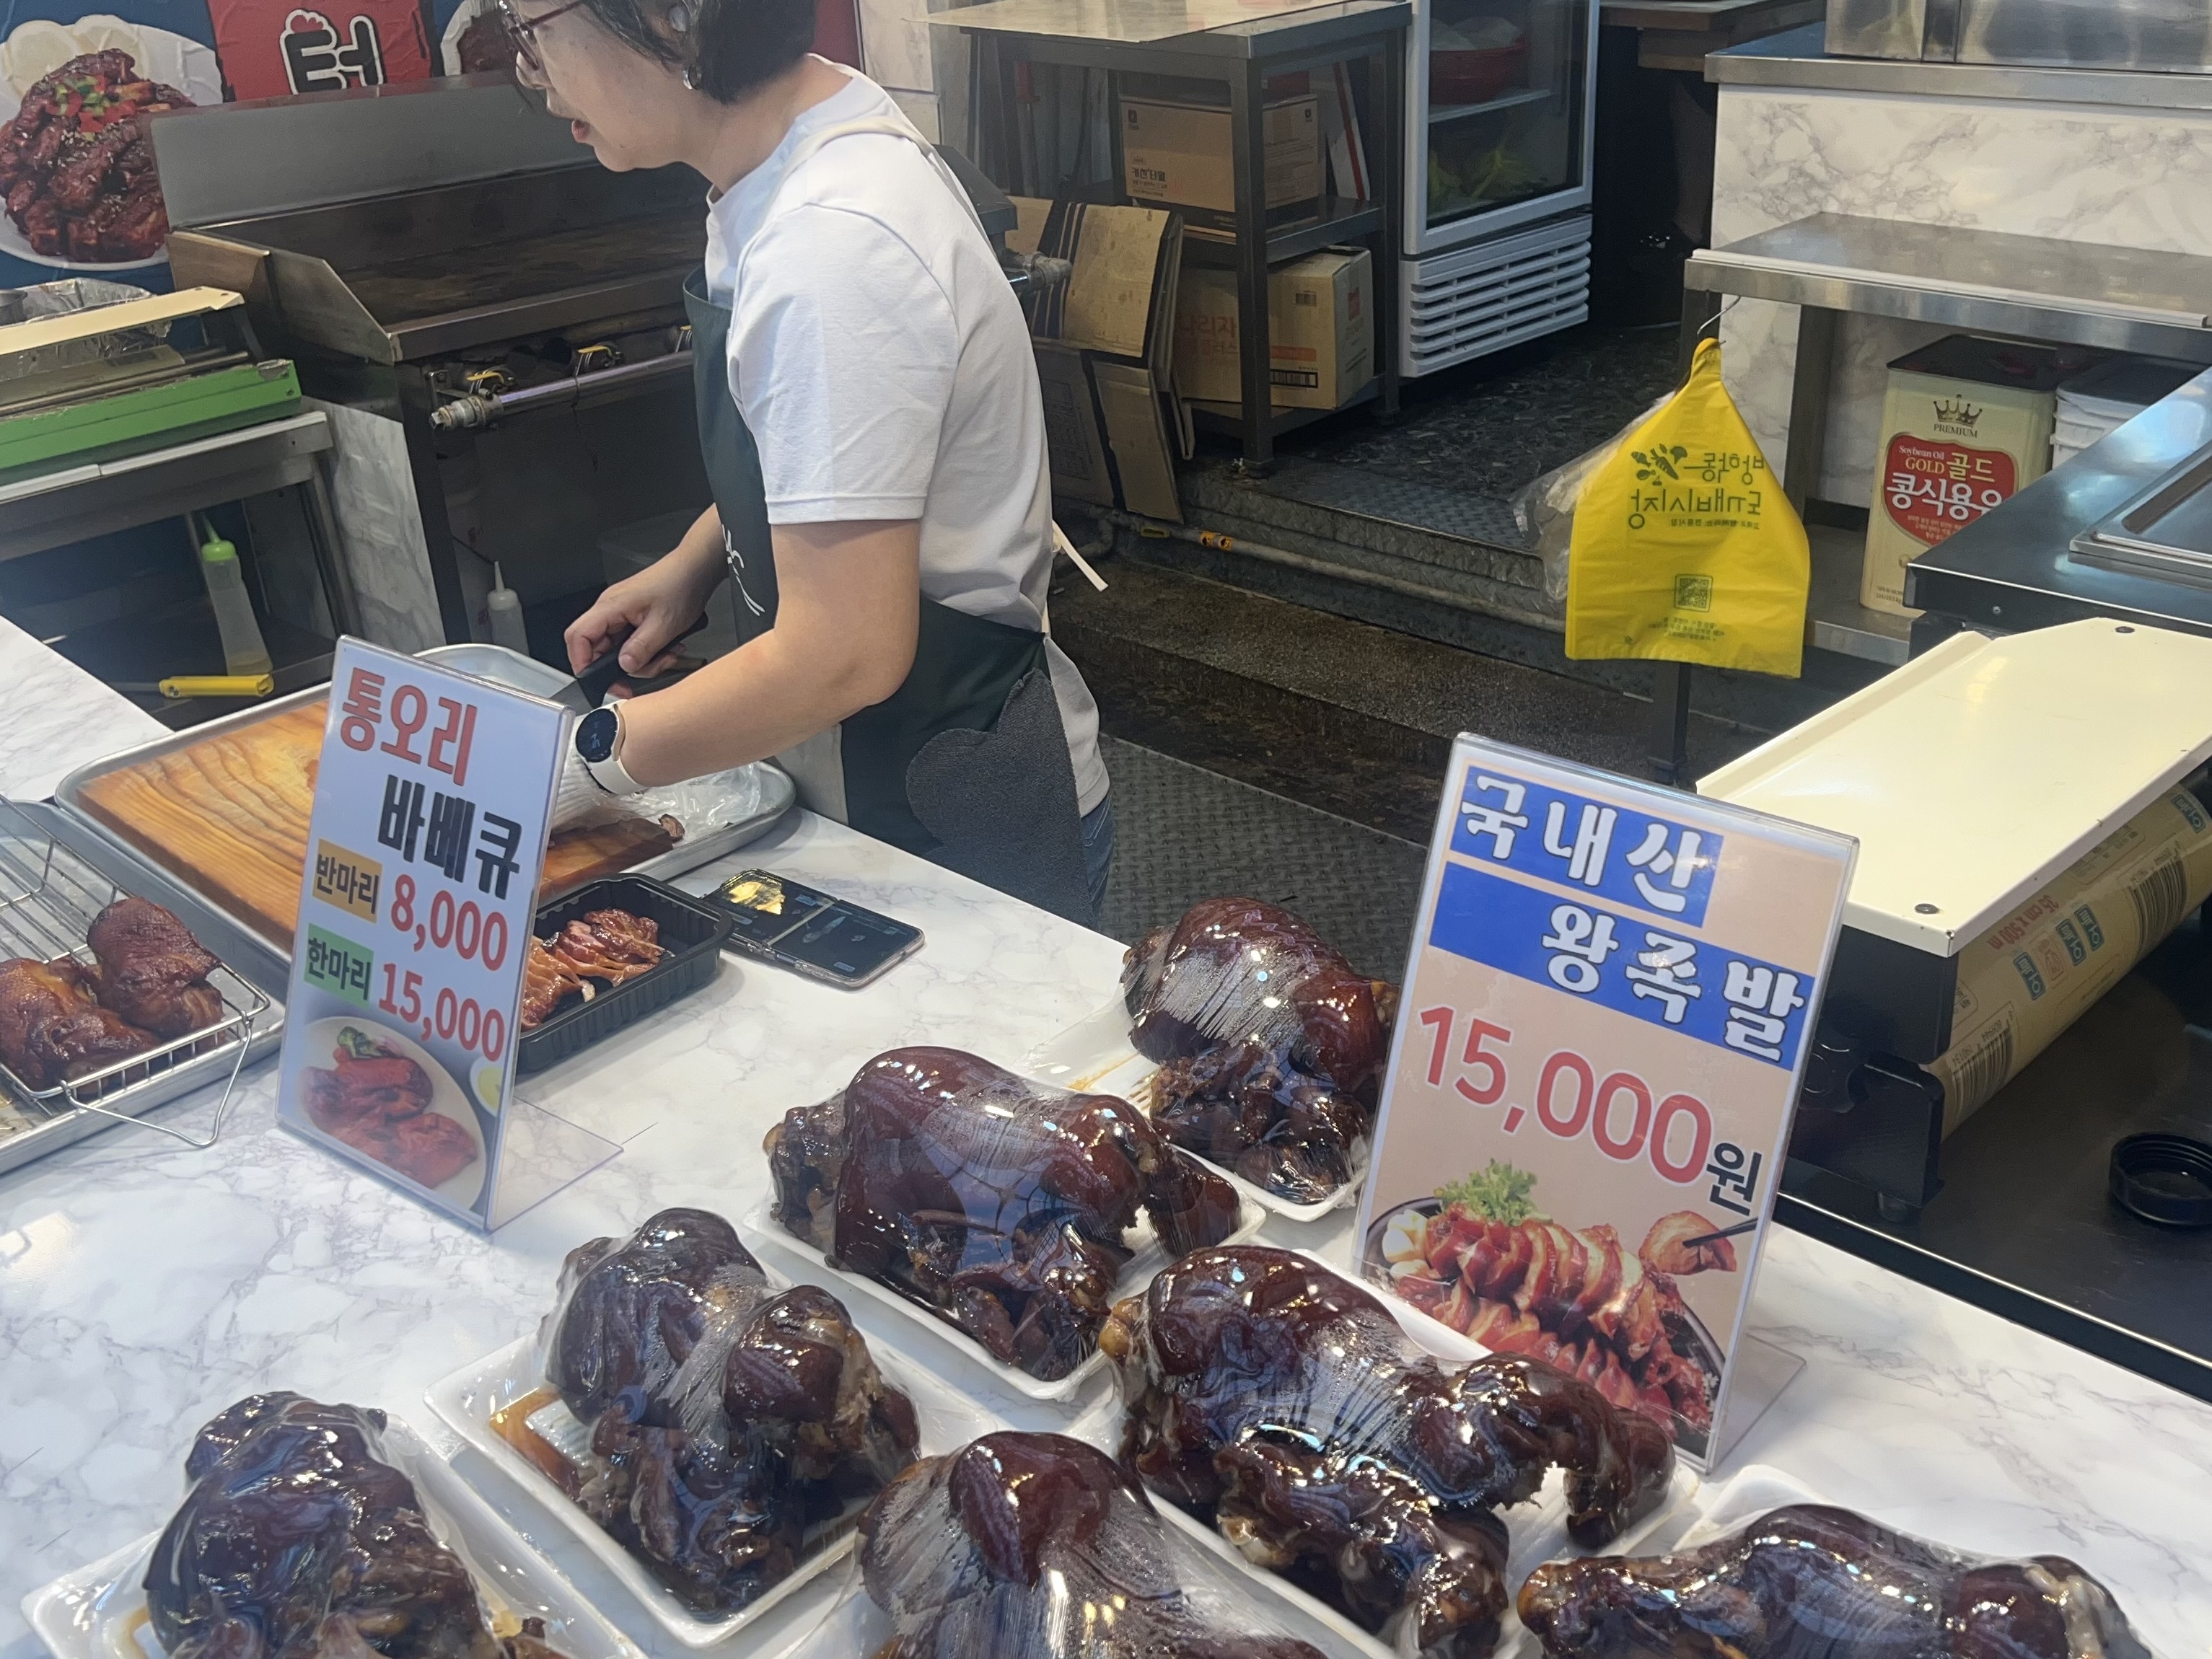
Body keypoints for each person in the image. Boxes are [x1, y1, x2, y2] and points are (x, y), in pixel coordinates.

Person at [508, 0, 1113, 922]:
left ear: (673, 18)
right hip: (871, 780)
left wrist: (587, 757)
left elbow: (846, 653)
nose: (531, 74)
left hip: (942, 818)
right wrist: (693, 562)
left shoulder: (832, 242)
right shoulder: (804, 146)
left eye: (532, 29)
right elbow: (842, 447)